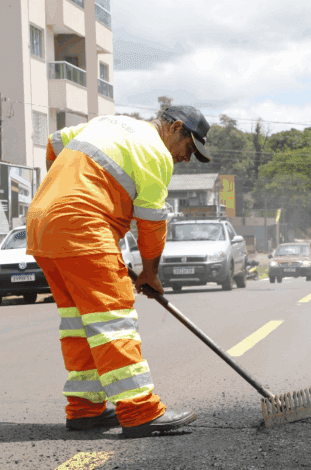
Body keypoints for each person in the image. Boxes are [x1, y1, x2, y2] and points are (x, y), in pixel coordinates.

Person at [26, 106, 212, 438]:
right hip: (83, 226)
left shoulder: (110, 123)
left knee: (79, 323)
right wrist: (149, 274)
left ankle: (85, 409)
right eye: (189, 148)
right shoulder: (156, 154)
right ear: (175, 128)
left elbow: (53, 144)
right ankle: (140, 411)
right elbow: (151, 226)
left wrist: (62, 190)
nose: (186, 158)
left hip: (42, 224)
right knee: (114, 322)